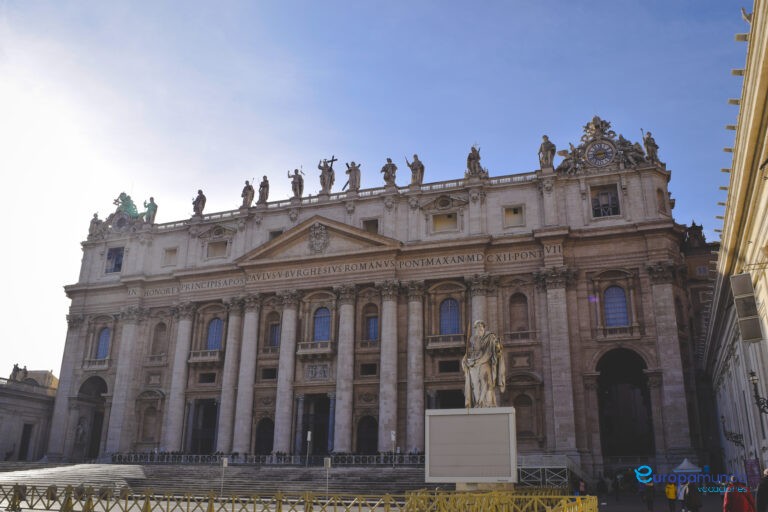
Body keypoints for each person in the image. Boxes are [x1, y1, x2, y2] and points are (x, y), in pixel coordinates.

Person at [462, 320, 506, 407]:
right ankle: (478, 403)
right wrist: (466, 359)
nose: (480, 328)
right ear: (475, 329)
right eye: (478, 327)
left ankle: (488, 403)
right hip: (474, 364)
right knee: (475, 384)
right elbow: (471, 352)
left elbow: (496, 348)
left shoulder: (490, 337)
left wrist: (497, 345)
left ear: (484, 328)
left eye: (481, 326)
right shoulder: (472, 339)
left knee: (487, 382)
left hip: (485, 362)